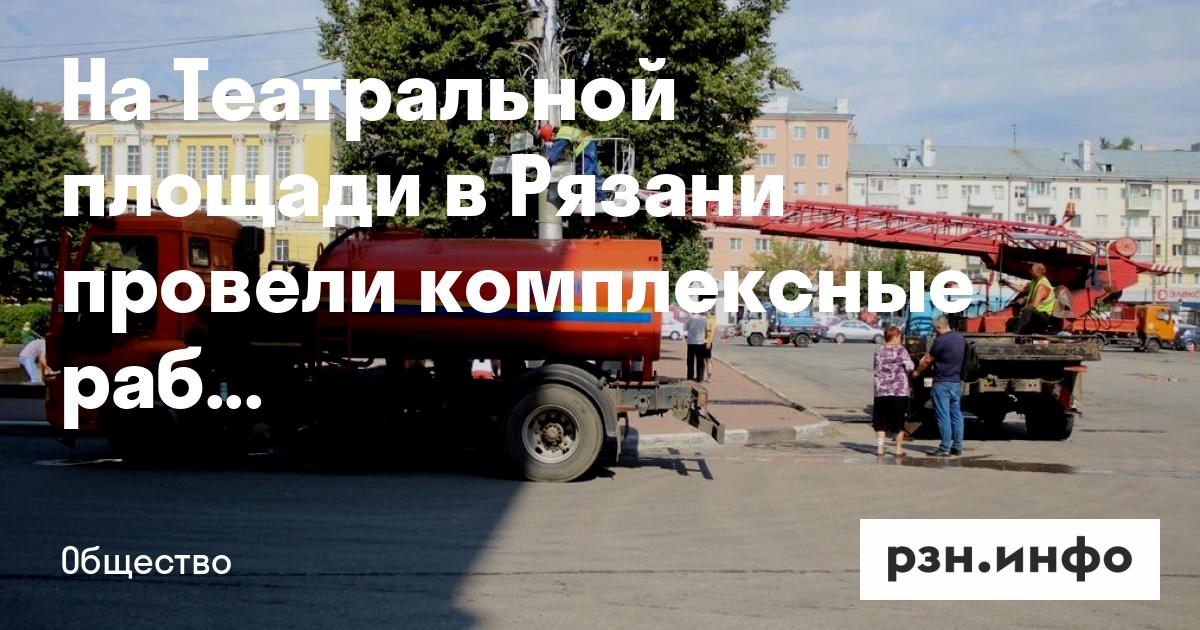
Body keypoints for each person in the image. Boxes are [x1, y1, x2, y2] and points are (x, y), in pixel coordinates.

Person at [913, 315, 965, 456]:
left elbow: (928, 360)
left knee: (943, 416)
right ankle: (957, 446)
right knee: (957, 415)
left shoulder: (941, 341)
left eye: (935, 329)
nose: (935, 331)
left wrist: (917, 371)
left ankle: (944, 448)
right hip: (956, 382)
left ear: (939, 327)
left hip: (942, 383)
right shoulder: (960, 338)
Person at [873, 326, 914, 457]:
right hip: (899, 391)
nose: (901, 338)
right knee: (899, 422)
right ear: (895, 336)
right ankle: (898, 449)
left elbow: (876, 367)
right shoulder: (901, 350)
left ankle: (880, 448)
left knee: (881, 422)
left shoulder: (879, 349)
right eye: (899, 336)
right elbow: (910, 366)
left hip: (881, 391)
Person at [546, 124, 604, 201]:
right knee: (593, 173)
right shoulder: (563, 130)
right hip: (588, 145)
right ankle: (601, 197)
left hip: (586, 147)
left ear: (552, 134)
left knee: (587, 174)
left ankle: (594, 198)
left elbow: (553, 157)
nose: (553, 141)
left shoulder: (561, 136)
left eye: (551, 139)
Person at [1004, 263, 1055, 334]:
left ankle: (1015, 334)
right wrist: (1008, 283)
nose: (1029, 271)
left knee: (1028, 310)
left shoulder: (1042, 285)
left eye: (1032, 270)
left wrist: (1023, 309)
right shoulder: (1034, 281)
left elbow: (1034, 305)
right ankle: (1019, 332)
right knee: (1017, 318)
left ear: (1038, 273)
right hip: (1036, 313)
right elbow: (1023, 289)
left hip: (1044, 315)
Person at [685, 311, 710, 382]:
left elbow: (685, 328)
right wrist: (707, 340)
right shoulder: (704, 319)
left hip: (691, 342)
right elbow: (708, 330)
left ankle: (690, 376)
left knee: (690, 360)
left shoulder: (689, 318)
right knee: (700, 361)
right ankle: (700, 377)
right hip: (701, 342)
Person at [703, 310, 718, 382]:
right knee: (701, 359)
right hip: (699, 341)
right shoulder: (702, 319)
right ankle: (701, 376)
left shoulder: (712, 320)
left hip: (707, 342)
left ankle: (709, 376)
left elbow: (712, 333)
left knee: (708, 359)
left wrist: (709, 342)